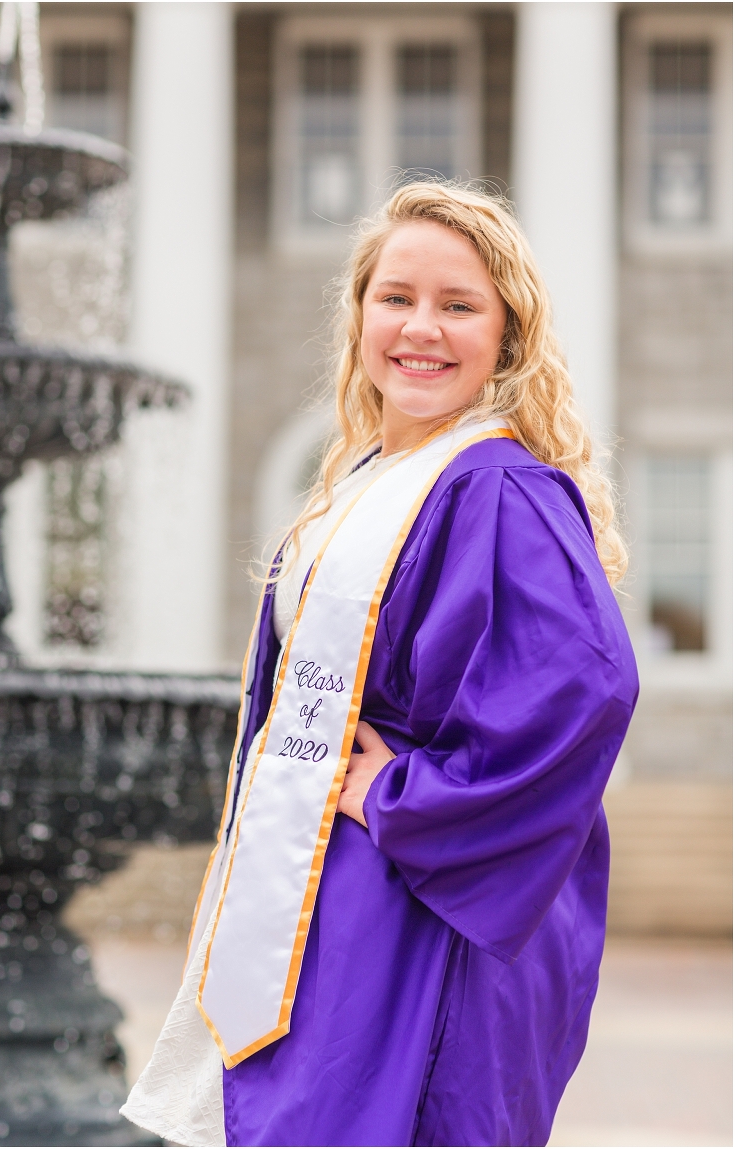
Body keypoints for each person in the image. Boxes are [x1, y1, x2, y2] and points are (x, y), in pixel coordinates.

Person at [122, 182, 639, 1148]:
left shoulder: (499, 488)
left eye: (459, 305)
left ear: (508, 339)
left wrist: (404, 795)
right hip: (333, 897)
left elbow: (586, 687)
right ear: (358, 313)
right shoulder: (373, 480)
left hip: (420, 909)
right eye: (395, 297)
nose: (421, 329)